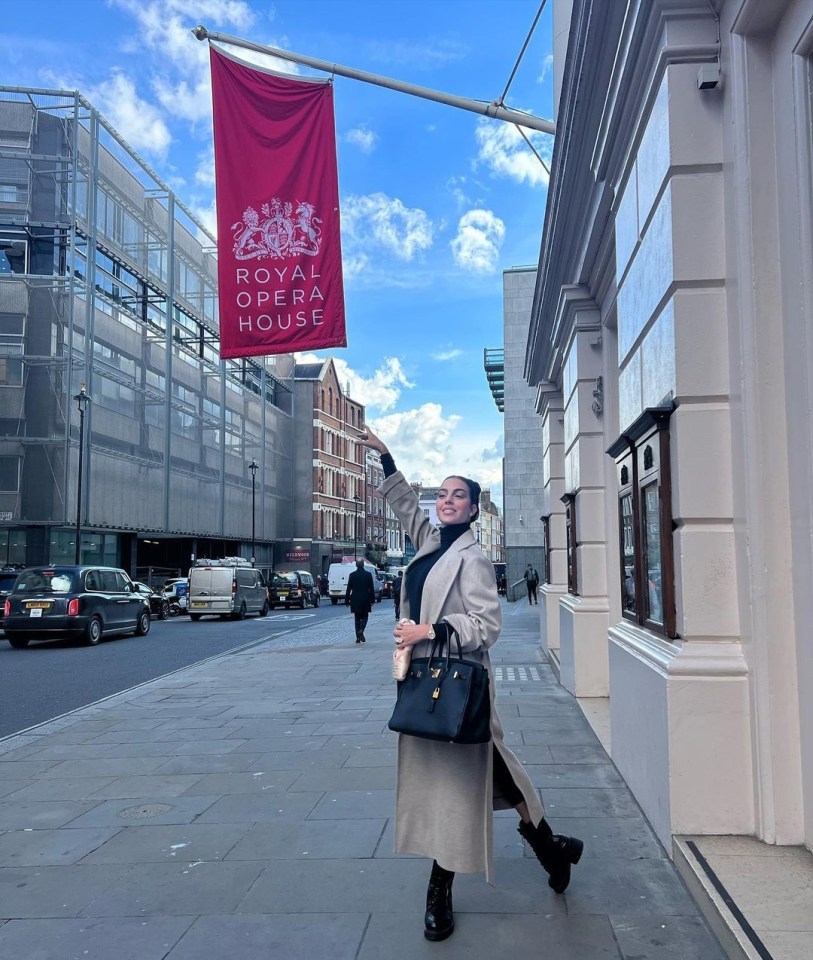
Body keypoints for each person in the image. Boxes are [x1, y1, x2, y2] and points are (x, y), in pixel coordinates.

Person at [362, 427, 582, 942]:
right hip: (424, 682)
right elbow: (404, 510)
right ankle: (553, 848)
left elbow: (487, 626)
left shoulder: (474, 559)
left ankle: (439, 891)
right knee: (494, 774)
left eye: (457, 495)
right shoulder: (430, 543)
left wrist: (430, 630)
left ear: (474, 510)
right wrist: (387, 457)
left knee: (456, 789)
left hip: (458, 687)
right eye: (441, 493)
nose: (445, 500)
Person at [345, 558, 375, 643]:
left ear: (356, 565)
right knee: (365, 616)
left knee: (357, 618)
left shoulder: (352, 575)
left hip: (355, 599)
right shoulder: (368, 575)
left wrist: (346, 601)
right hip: (365, 598)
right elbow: (371, 588)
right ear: (363, 565)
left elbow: (348, 589)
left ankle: (358, 638)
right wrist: (372, 600)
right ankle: (361, 629)